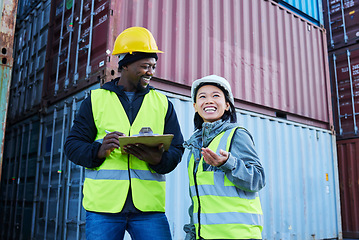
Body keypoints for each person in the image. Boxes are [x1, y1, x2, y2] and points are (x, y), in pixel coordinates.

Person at [64, 26, 184, 240]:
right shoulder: (95, 100)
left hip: (149, 209)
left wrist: (159, 159)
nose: (151, 72)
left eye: (153, 66)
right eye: (145, 66)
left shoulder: (163, 103)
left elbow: (177, 149)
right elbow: (72, 146)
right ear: (125, 65)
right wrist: (98, 150)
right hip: (104, 208)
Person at [183, 75, 265, 240]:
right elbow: (199, 199)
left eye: (215, 95)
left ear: (227, 105)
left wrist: (228, 163)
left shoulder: (237, 135)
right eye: (202, 96)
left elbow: (258, 179)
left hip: (239, 235)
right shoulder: (194, 145)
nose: (208, 100)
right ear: (195, 106)